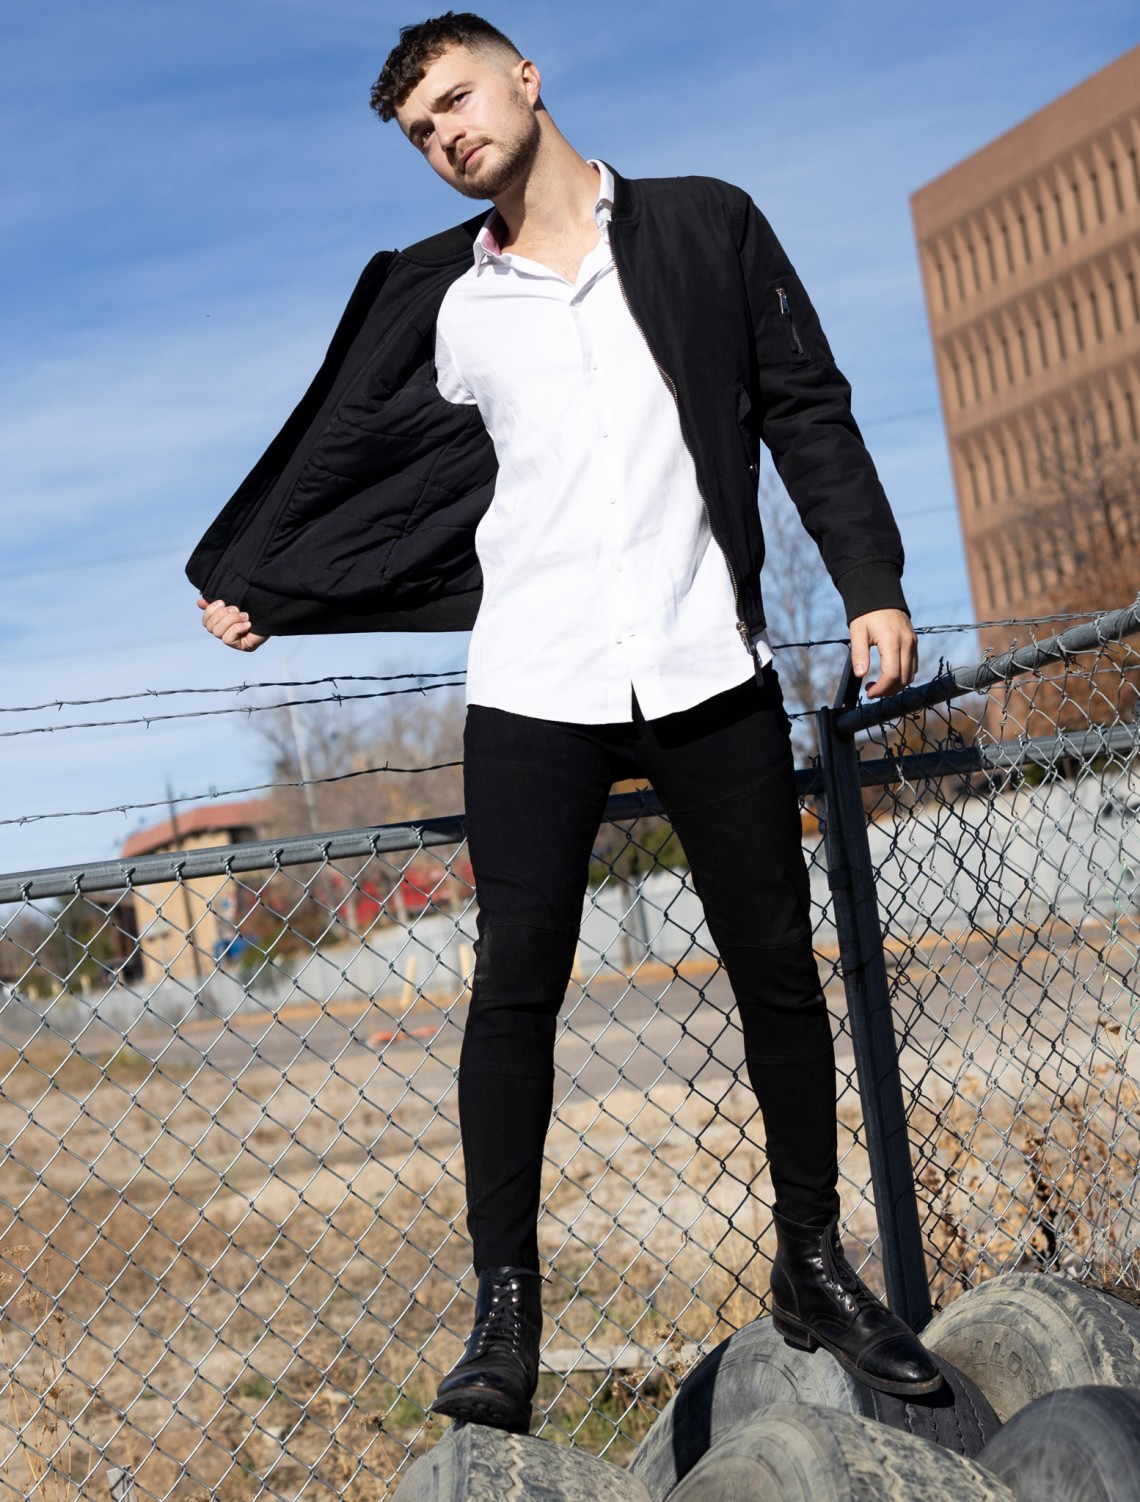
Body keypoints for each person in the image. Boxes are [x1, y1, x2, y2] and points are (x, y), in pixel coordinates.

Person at [191, 11, 940, 1435]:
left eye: (458, 100)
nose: (447, 136)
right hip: (534, 688)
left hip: (703, 664)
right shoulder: (447, 306)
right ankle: (506, 1315)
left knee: (778, 973)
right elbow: (359, 464)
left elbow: (805, 405)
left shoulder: (707, 227)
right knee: (514, 988)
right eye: (422, 131)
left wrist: (873, 581)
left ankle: (812, 1262)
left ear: (526, 78)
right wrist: (271, 584)